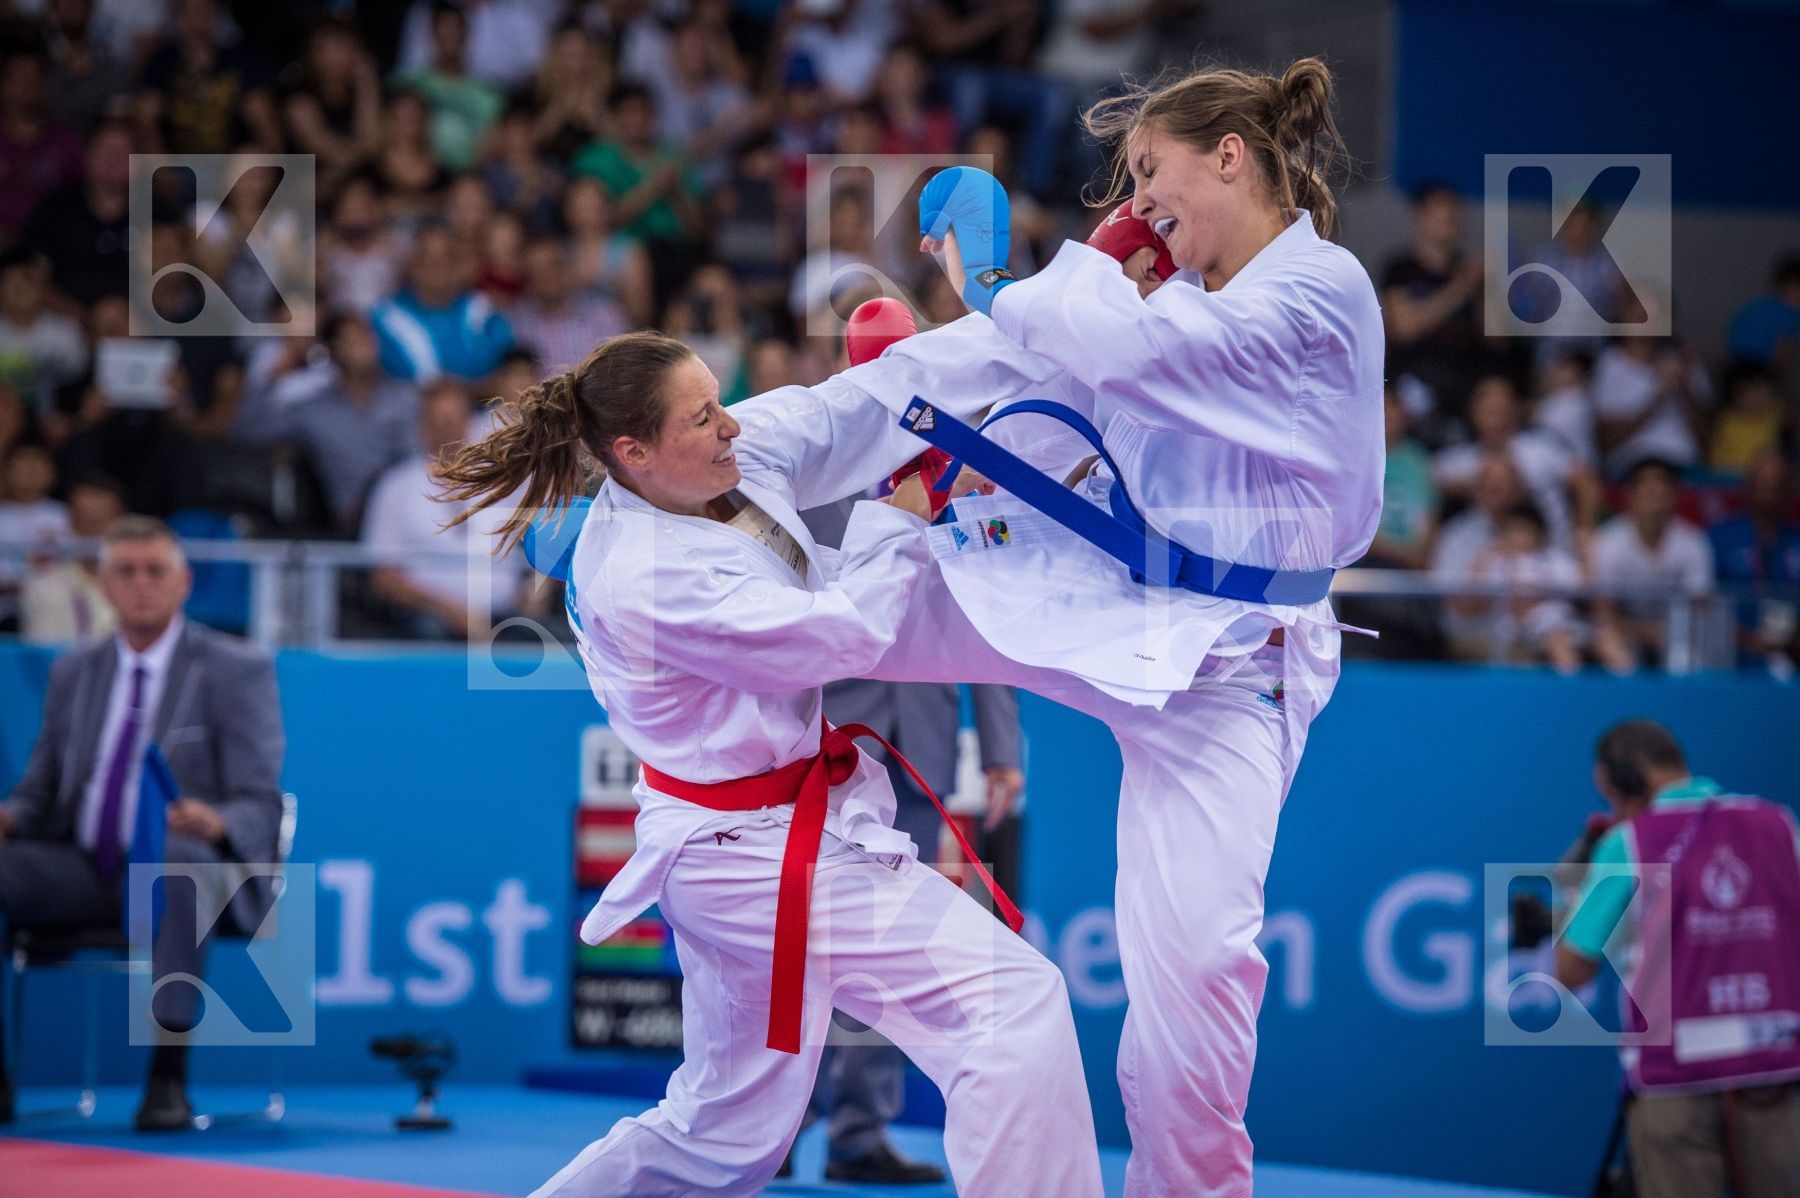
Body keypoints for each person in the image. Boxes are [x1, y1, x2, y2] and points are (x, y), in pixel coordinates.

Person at [433, 325, 1102, 1197]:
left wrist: (1052, 304)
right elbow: (839, 636)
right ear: (634, 452)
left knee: (722, 1136)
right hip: (748, 856)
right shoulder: (643, 575)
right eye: (704, 416)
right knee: (1011, 1007)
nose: (731, 427)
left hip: (751, 837)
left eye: (719, 401)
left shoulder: (717, 462)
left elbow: (856, 405)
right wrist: (899, 516)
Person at [884, 58, 1382, 1197]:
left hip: (1239, 664)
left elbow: (1135, 356)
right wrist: (951, 427)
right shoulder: (1182, 298)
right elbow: (1085, 394)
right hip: (1121, 601)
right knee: (845, 614)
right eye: (1126, 188)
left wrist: (1012, 279)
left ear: (1232, 156)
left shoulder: (1321, 291)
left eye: (1151, 175)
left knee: (1198, 963)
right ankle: (673, 548)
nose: (1137, 205)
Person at [0, 516, 285, 1130]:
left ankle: (167, 1078)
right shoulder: (75, 671)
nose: (140, 584)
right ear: (103, 583)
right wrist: (11, 815)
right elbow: (41, 788)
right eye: (125, 571)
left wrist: (215, 818)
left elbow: (259, 799)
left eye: (155, 571)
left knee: (178, 864)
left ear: (183, 583)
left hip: (186, 865)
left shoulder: (235, 668)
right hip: (84, 865)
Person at [1556, 720, 1800, 1198]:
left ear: (1613, 781)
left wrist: (1572, 913)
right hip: (1775, 1069)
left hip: (1675, 1082)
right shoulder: (1779, 824)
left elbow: (1569, 969)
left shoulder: (1628, 843)